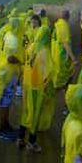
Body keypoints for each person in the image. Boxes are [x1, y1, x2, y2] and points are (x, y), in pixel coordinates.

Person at [18, 17, 52, 152]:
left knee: (26, 111)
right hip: (36, 87)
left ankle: (20, 137)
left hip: (27, 84)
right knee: (35, 114)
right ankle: (32, 142)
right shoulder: (44, 51)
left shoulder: (31, 47)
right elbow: (48, 72)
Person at [0, 16, 24, 140]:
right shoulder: (13, 39)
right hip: (7, 73)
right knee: (4, 103)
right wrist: (22, 62)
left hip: (3, 71)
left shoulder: (7, 34)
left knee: (5, 102)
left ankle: (6, 125)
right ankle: (2, 130)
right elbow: (10, 58)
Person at [51, 9, 78, 90]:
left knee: (57, 71)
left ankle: (58, 87)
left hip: (55, 53)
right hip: (61, 55)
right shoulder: (64, 26)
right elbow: (65, 43)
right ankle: (62, 89)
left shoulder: (58, 23)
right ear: (68, 17)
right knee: (63, 73)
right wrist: (73, 58)